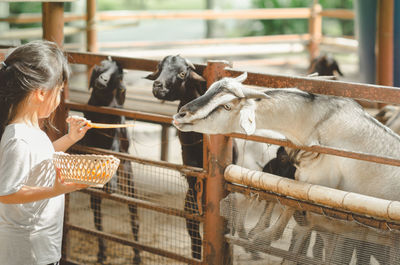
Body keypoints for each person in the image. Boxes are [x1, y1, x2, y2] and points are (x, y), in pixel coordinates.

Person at [0, 40, 90, 265]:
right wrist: (54, 189)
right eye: (59, 91)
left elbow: (43, 158)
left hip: (41, 247)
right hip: (26, 253)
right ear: (40, 93)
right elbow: (6, 193)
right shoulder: (19, 138)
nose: (59, 99)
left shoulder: (32, 130)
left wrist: (70, 138)